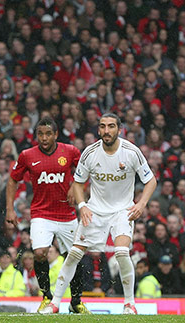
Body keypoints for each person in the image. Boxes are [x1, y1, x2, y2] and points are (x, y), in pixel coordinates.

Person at [40, 113, 158, 315]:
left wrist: (141, 204)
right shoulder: (90, 153)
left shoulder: (131, 151)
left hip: (122, 210)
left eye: (111, 126)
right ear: (99, 130)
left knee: (122, 252)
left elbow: (151, 180)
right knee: (74, 253)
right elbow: (77, 183)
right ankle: (55, 303)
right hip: (94, 210)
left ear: (119, 130)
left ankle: (129, 304)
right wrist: (82, 205)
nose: (106, 131)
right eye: (102, 126)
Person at [5, 117, 90, 313]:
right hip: (41, 214)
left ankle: (76, 301)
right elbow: (12, 181)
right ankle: (46, 297)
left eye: (48, 134)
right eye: (40, 134)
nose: (44, 138)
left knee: (74, 256)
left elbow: (86, 171)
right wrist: (10, 209)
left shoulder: (70, 152)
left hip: (67, 214)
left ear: (56, 135)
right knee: (39, 253)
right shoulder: (27, 155)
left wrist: (77, 187)